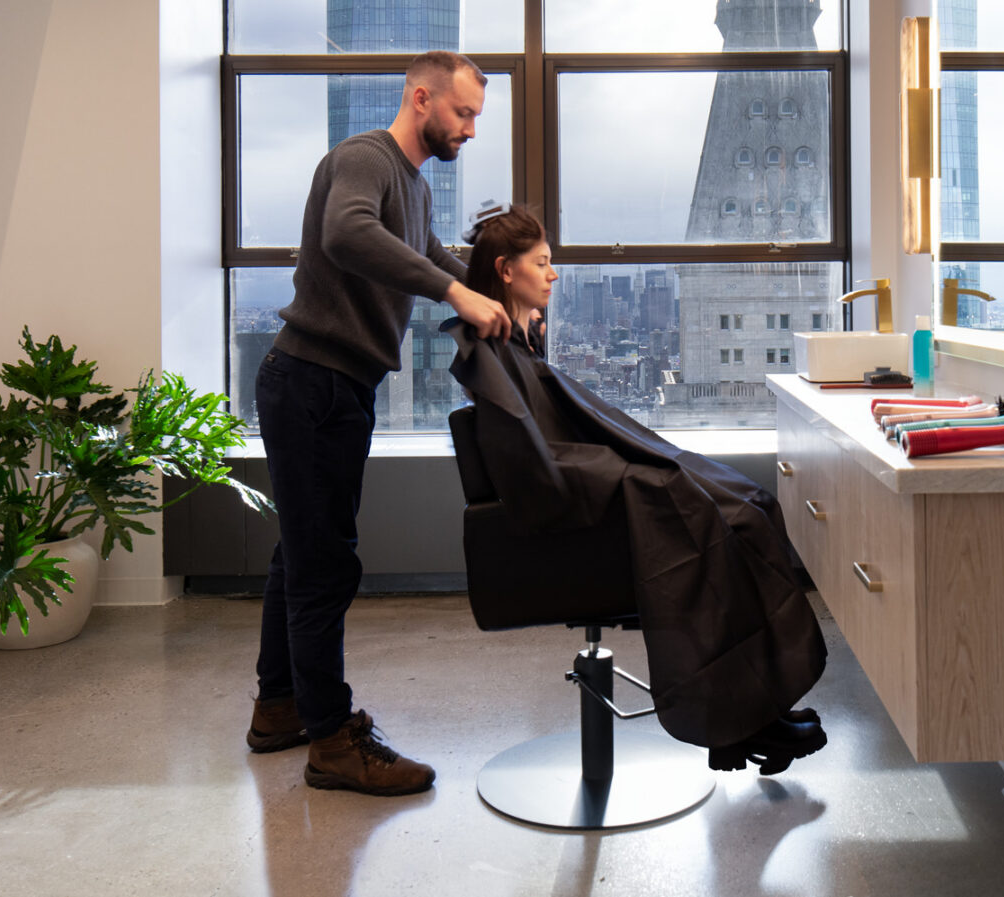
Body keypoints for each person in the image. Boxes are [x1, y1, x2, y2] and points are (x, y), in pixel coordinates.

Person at [449, 203, 829, 775]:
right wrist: (632, 473)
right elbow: (534, 470)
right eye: (543, 263)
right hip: (578, 516)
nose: (554, 274)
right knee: (730, 521)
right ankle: (741, 720)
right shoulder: (488, 352)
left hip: (594, 486)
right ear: (505, 271)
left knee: (752, 504)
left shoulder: (514, 343)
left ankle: (758, 710)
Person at [245, 50, 512, 797]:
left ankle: (278, 707)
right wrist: (455, 296)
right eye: (461, 113)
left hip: (340, 385)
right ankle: (330, 739)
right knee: (325, 564)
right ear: (420, 97)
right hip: (308, 382)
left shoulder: (416, 186)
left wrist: (500, 281)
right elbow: (348, 234)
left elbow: (432, 257)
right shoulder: (363, 160)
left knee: (300, 553)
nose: (469, 128)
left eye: (475, 118)